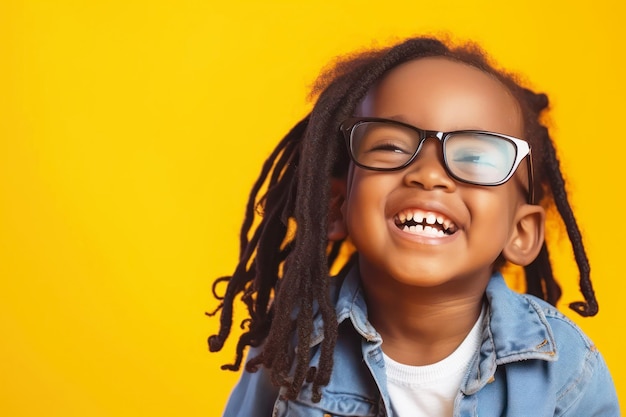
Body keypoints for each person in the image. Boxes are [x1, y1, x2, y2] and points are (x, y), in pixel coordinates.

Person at [207, 36, 619, 416]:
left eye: (475, 158)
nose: (429, 174)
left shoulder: (564, 366)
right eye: (390, 146)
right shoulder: (292, 342)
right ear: (335, 206)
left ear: (521, 232)